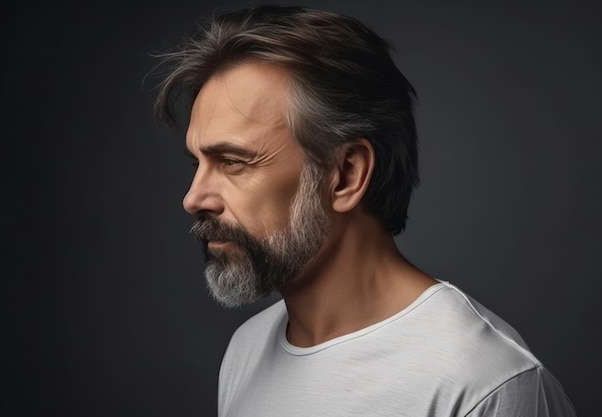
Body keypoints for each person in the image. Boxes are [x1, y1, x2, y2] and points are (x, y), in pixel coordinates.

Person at [154, 5, 576, 416]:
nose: (193, 198)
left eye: (233, 162)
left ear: (346, 174)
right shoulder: (246, 350)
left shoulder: (485, 384)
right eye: (198, 164)